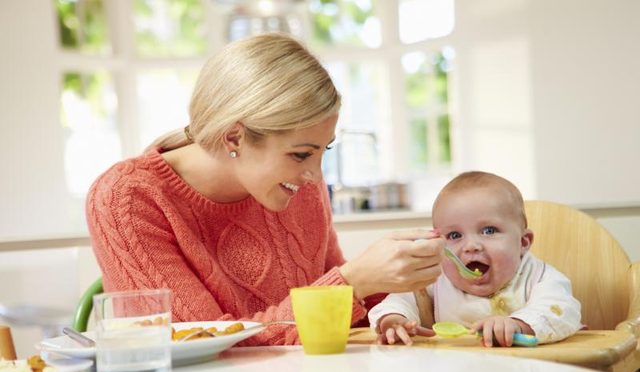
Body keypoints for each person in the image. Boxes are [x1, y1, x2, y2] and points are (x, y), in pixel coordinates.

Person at [86, 33, 444, 346]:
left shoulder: (296, 186)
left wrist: (399, 298)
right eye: (301, 154)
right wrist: (352, 283)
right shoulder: (126, 199)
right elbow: (197, 343)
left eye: (323, 151)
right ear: (234, 137)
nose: (314, 176)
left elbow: (342, 317)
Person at [368, 171, 582, 347]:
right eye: (454, 236)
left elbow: (560, 309)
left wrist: (518, 324)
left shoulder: (539, 277)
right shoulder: (435, 279)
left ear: (523, 242)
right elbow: (399, 300)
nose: (471, 246)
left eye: (489, 231)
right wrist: (393, 320)